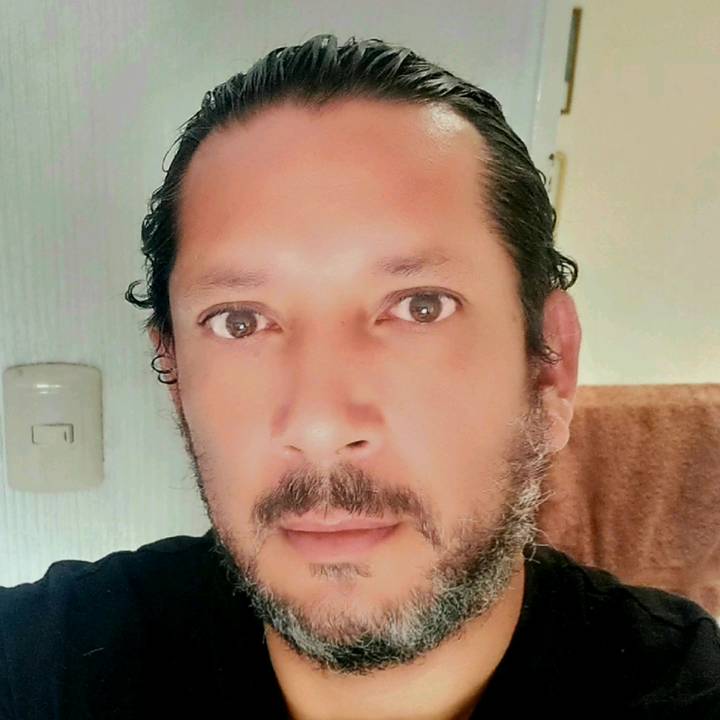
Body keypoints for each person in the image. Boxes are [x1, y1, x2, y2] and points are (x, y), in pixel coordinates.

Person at [1, 33, 719, 720]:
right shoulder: (52, 663)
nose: (320, 424)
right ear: (177, 381)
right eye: (239, 322)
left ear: (550, 368)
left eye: (420, 307)